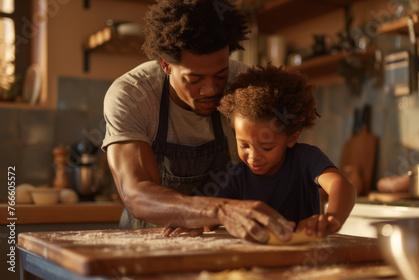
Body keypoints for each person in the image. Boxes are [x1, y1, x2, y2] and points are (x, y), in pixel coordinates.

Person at [102, 0, 294, 244]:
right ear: (166, 65)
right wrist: (219, 210)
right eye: (195, 79)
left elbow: (274, 172)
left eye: (221, 74)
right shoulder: (133, 94)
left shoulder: (245, 87)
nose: (210, 89)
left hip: (223, 245)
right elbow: (136, 192)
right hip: (143, 245)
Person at [215, 65, 357, 238]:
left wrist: (331, 219)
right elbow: (213, 215)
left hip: (302, 254)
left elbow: (342, 186)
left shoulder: (305, 159)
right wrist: (196, 225)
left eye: (266, 147)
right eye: (244, 145)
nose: (253, 156)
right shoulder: (236, 176)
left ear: (292, 138)